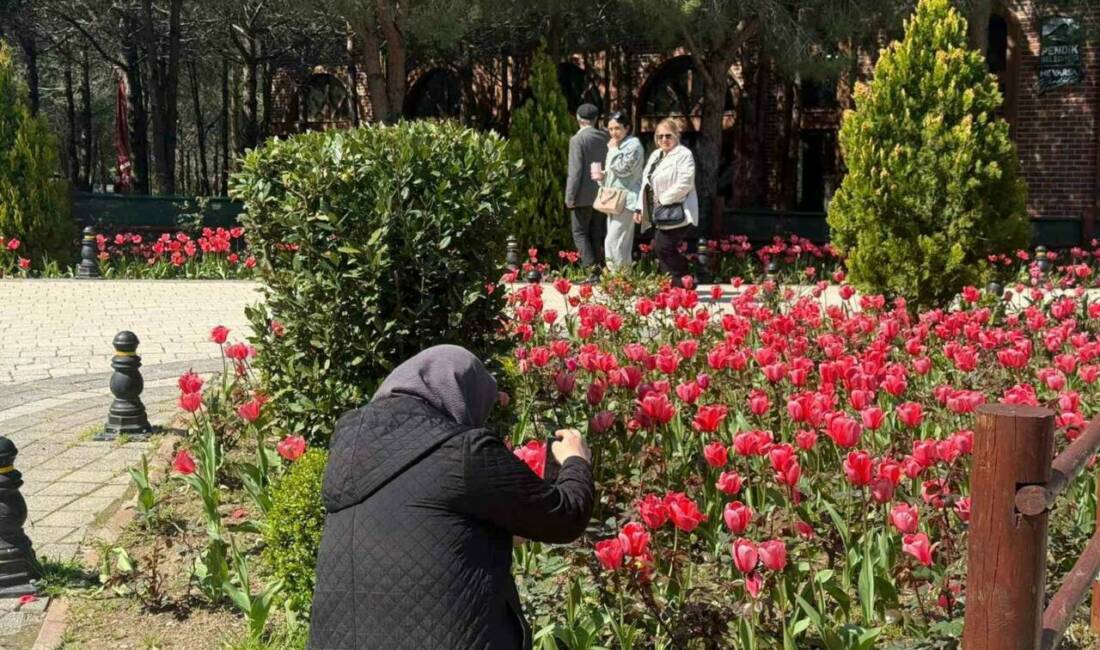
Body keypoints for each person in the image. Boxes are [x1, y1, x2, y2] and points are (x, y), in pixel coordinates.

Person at [309, 345, 595, 650]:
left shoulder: (348, 453)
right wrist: (575, 461)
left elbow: (421, 527)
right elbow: (564, 516)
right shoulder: (462, 452)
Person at [636, 118, 698, 287]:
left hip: (679, 209)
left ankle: (681, 282)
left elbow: (685, 182)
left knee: (663, 247)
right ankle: (680, 282)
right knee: (661, 248)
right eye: (660, 136)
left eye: (668, 136)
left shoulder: (684, 154)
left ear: (677, 136)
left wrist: (664, 199)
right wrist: (639, 208)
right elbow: (646, 182)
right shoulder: (656, 155)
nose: (664, 139)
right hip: (660, 212)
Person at [592, 110, 644, 271]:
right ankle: (624, 279)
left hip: (627, 199)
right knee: (621, 243)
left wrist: (612, 151)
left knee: (613, 241)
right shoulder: (618, 144)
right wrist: (602, 176)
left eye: (617, 128)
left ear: (627, 128)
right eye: (610, 129)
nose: (614, 132)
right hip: (614, 200)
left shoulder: (633, 145)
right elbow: (615, 173)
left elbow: (624, 169)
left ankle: (616, 278)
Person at [565, 103, 610, 284]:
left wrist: (570, 197)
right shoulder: (605, 137)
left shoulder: (577, 140)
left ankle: (592, 270)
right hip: (601, 194)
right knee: (596, 233)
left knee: (579, 233)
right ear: (596, 119)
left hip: (581, 196)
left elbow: (575, 171)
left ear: (578, 118)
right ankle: (598, 270)